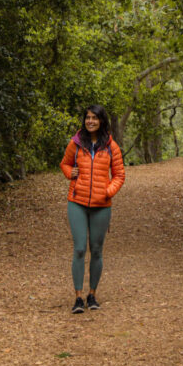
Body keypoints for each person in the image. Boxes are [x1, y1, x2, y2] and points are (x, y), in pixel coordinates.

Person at [60, 104, 125, 314]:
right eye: (88, 118)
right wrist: (71, 174)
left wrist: (108, 191)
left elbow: (119, 175)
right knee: (79, 249)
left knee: (96, 250)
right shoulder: (76, 143)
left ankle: (92, 294)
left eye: (94, 118)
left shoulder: (110, 145)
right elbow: (65, 164)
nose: (90, 121)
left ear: (101, 121)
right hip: (76, 202)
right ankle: (78, 297)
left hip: (101, 206)